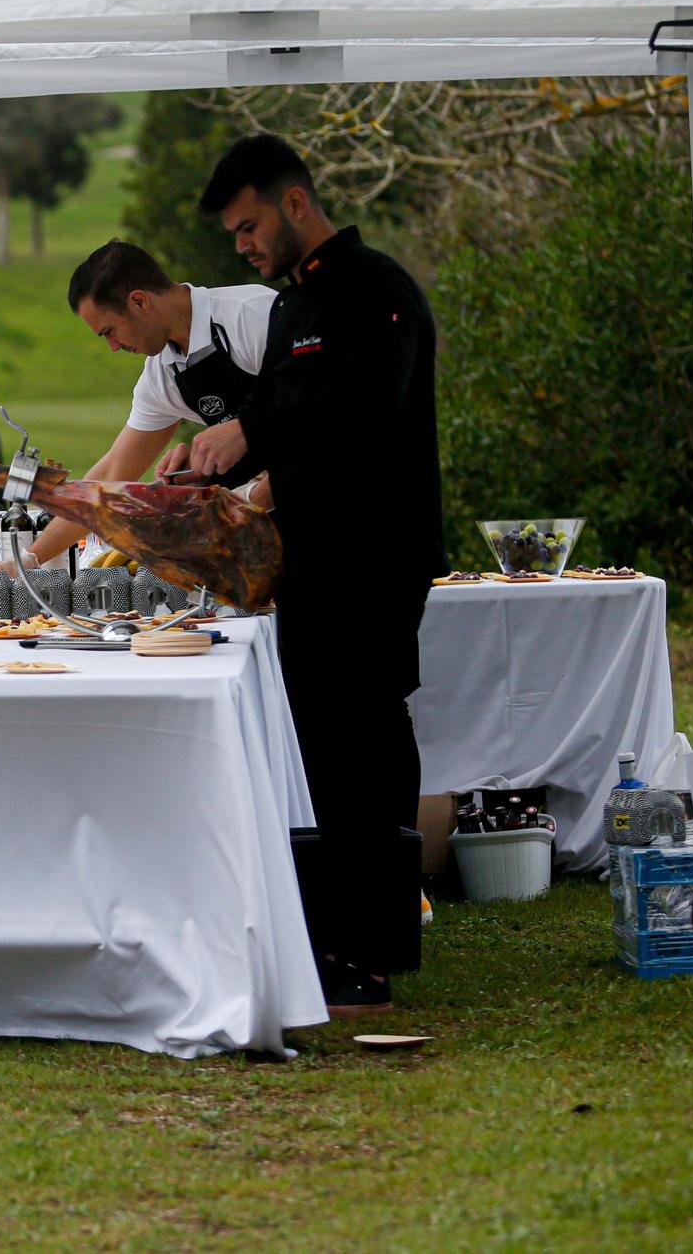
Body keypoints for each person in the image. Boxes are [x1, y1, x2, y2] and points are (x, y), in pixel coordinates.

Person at [188, 134, 446, 1016]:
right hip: (309, 561)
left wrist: (266, 473)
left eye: (251, 225)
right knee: (325, 752)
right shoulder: (294, 310)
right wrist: (230, 446)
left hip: (372, 556)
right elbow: (285, 407)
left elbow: (367, 431)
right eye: (234, 234)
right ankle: (338, 941)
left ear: (296, 203)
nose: (244, 246)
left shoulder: (377, 294)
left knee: (366, 743)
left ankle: (371, 954)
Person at [4, 240, 274, 572]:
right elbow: (110, 475)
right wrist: (30, 558)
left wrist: (253, 498)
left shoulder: (252, 315)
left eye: (110, 331)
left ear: (139, 301)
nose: (113, 347)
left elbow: (332, 415)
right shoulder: (163, 371)